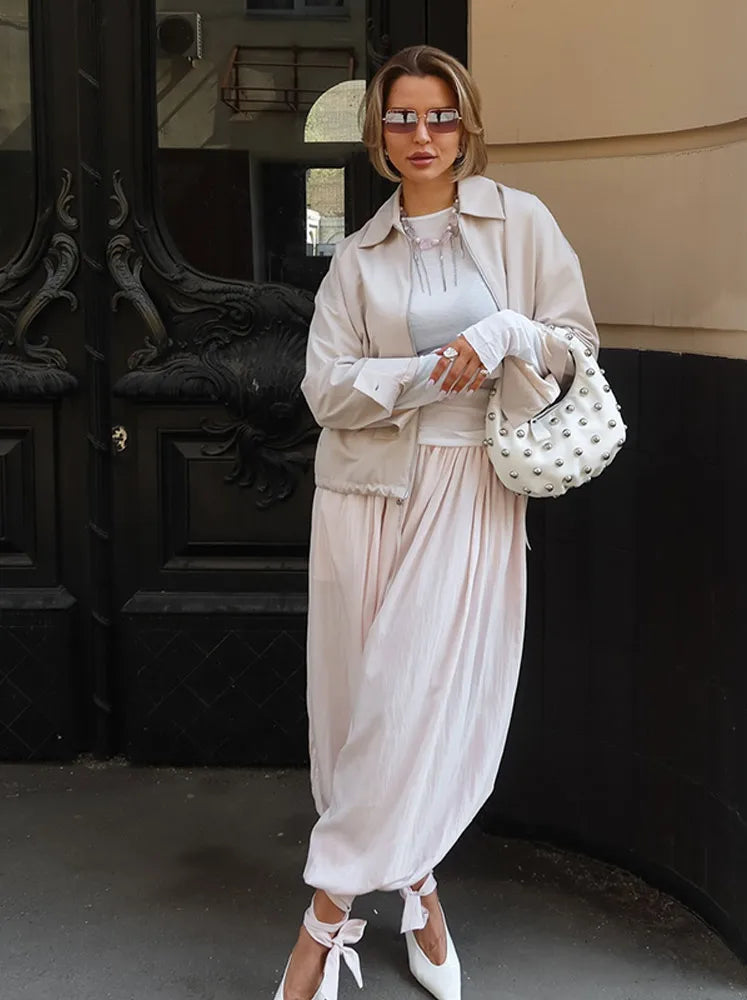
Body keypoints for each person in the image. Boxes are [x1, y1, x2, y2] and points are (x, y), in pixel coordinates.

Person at [272, 44, 598, 1000]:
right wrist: (423, 375)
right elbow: (325, 390)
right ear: (379, 134)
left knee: (416, 702)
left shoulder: (520, 223)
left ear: (467, 126)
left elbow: (575, 345)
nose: (424, 134)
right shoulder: (357, 255)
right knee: (357, 711)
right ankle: (421, 896)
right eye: (404, 117)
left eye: (441, 116)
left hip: (471, 490)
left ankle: (320, 927)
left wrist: (503, 334)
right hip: (364, 494)